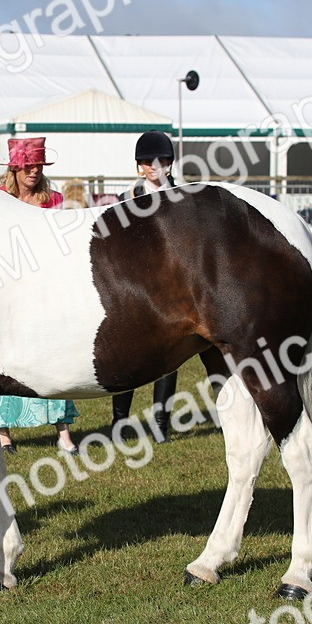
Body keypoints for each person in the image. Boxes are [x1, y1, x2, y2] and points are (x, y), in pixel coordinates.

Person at [0, 137, 80, 454]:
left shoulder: (55, 200)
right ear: (15, 167)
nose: (34, 169)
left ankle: (63, 431)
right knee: (3, 361)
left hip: (48, 290)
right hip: (7, 293)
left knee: (56, 356)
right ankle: (2, 433)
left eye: (39, 163)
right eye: (28, 164)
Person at [112, 130, 178, 440]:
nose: (155, 166)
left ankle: (161, 424)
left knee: (169, 356)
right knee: (127, 354)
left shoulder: (182, 196)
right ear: (140, 166)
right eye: (148, 161)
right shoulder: (126, 198)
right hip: (134, 284)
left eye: (162, 160)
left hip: (171, 284)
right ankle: (119, 422)